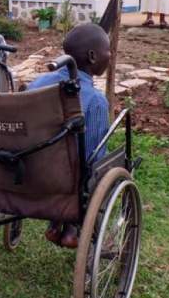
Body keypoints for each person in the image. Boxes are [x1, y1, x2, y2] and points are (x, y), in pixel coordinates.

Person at [28, 23, 110, 249]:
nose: (110, 56)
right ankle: (72, 227)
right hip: (67, 180)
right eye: (108, 51)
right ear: (93, 56)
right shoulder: (95, 100)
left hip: (29, 169)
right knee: (95, 162)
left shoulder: (37, 84)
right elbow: (90, 159)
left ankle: (57, 221)